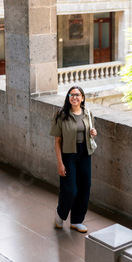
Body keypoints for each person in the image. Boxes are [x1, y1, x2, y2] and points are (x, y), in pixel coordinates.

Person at [50, 86, 97, 233]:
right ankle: (60, 214)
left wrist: (93, 132)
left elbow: (89, 132)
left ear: (82, 98)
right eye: (72, 95)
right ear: (68, 97)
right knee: (70, 190)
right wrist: (60, 162)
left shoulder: (88, 114)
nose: (74, 97)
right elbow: (57, 141)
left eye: (77, 95)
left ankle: (77, 221)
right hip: (68, 154)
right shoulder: (61, 115)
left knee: (84, 188)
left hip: (84, 154)